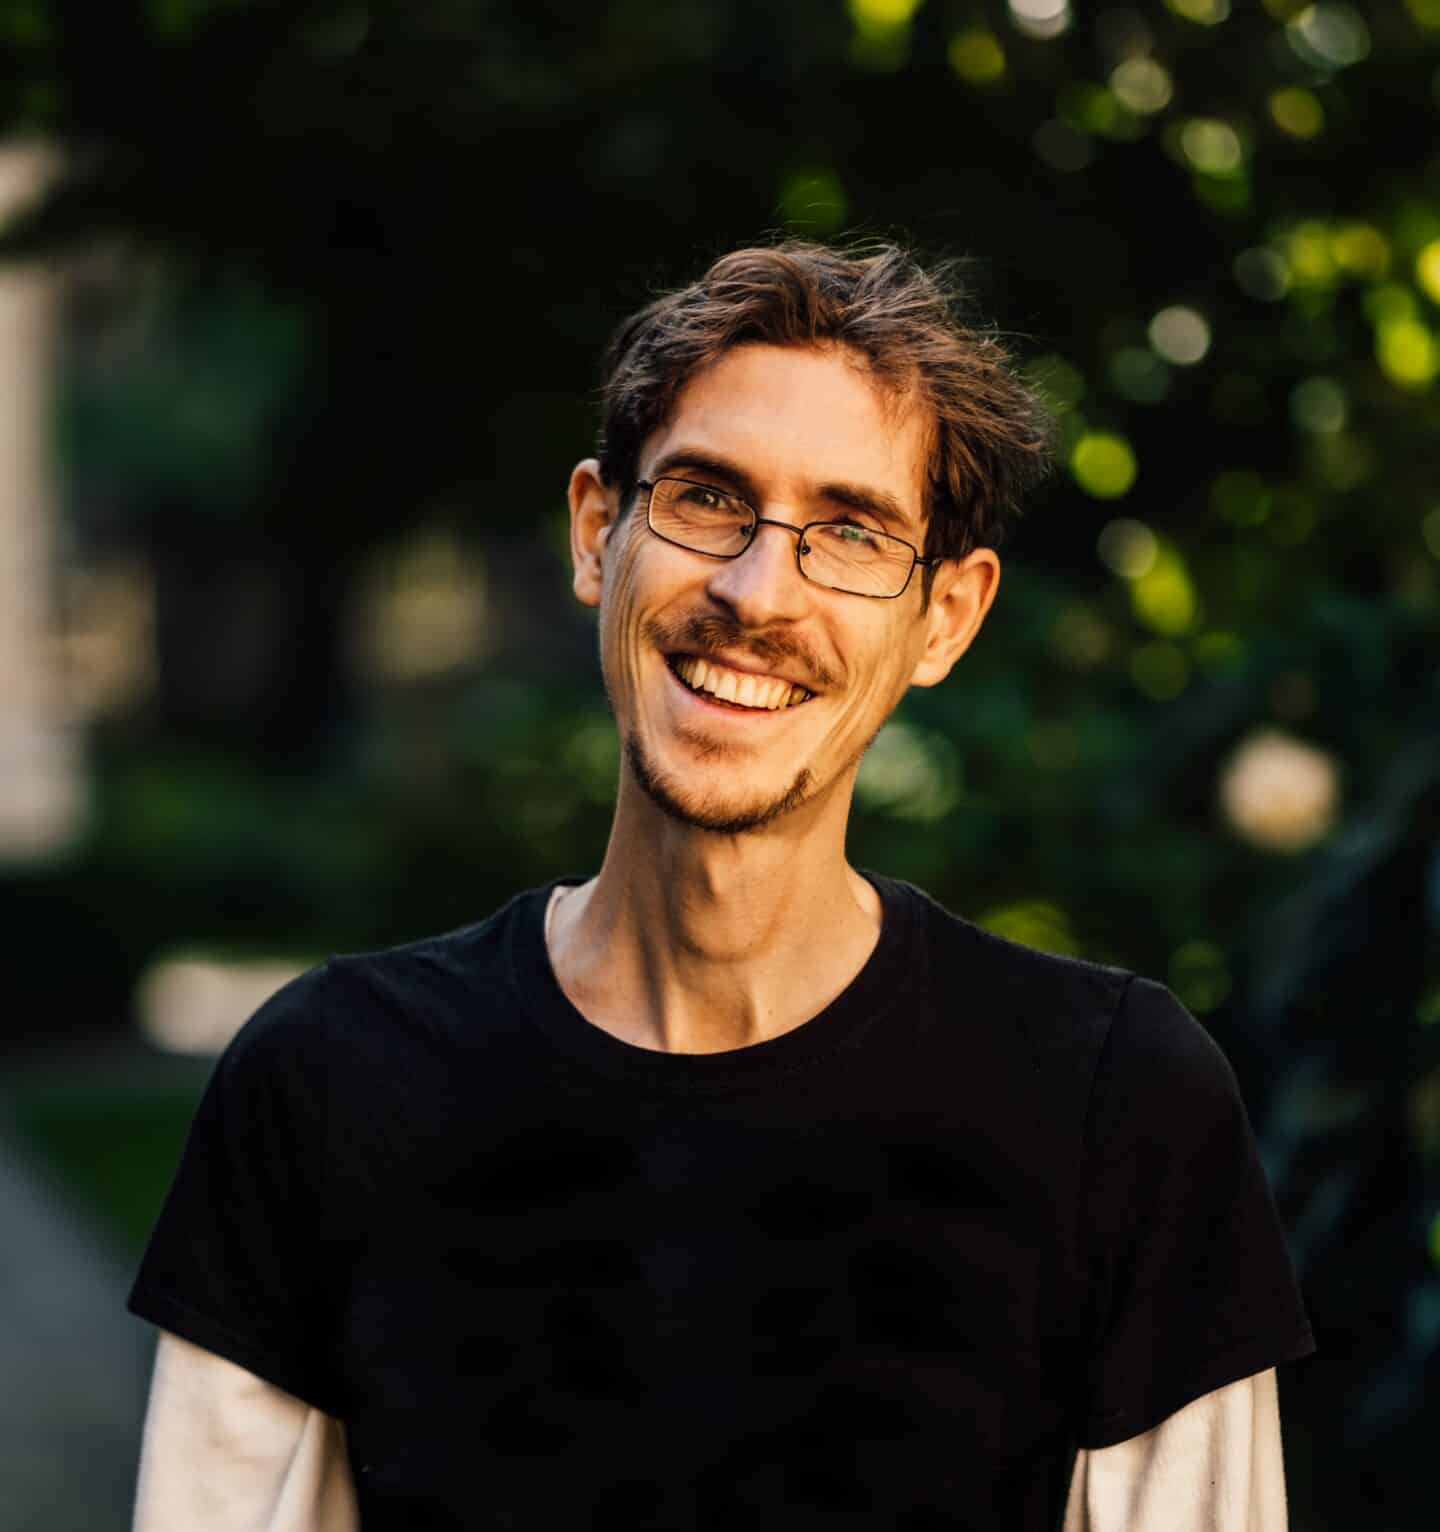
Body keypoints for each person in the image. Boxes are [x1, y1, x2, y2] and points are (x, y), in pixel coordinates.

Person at [128, 241, 1315, 1531]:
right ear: (599, 533)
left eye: (852, 533)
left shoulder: (1118, 1107)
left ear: (948, 619)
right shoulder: (327, 1084)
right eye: (704, 499)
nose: (758, 593)